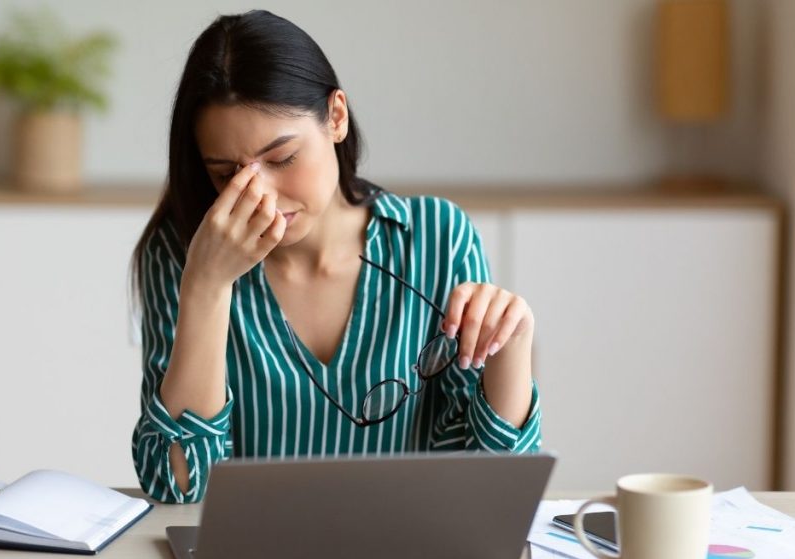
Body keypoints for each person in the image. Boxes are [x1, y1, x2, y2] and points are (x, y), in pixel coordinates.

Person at [131, 9, 541, 504]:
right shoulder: (182, 254)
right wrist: (206, 288)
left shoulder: (436, 237)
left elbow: (493, 490)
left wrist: (513, 349)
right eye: (225, 173)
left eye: (282, 159)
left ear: (337, 118)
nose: (258, 195)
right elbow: (178, 485)